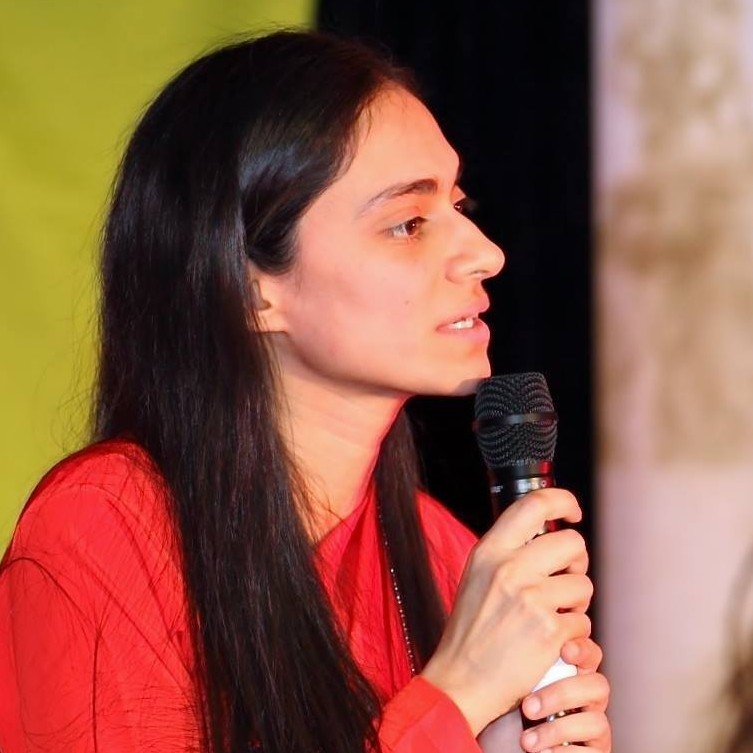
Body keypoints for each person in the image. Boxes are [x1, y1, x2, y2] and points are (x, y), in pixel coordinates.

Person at [0, 30, 610, 753]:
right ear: (250, 289)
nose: (486, 253)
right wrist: (456, 695)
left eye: (459, 205)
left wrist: (502, 738)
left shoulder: (441, 551)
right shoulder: (106, 528)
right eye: (408, 223)